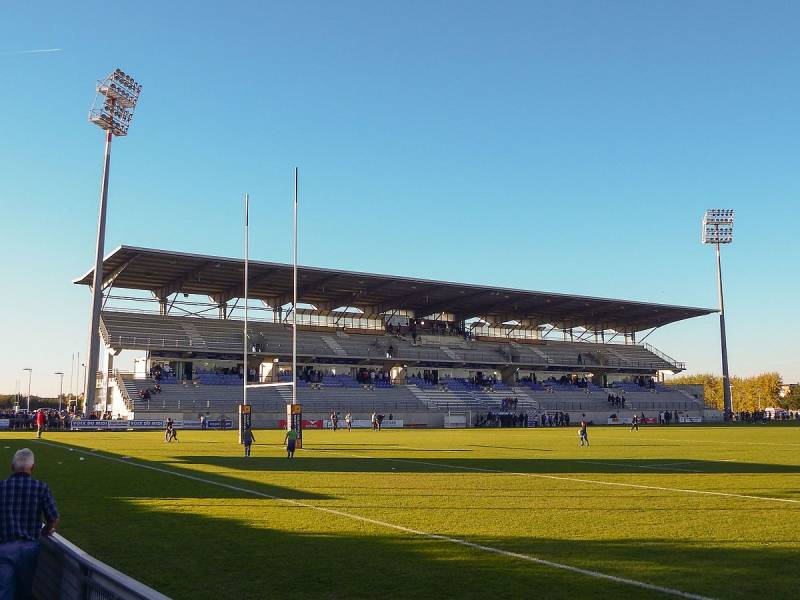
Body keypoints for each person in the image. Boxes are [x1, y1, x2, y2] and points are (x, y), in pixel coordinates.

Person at [0, 449, 59, 599]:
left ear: (12, 466)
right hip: (29, 549)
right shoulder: (41, 487)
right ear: (33, 467)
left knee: (4, 591)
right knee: (24, 592)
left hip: (4, 548)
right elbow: (53, 518)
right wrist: (45, 531)